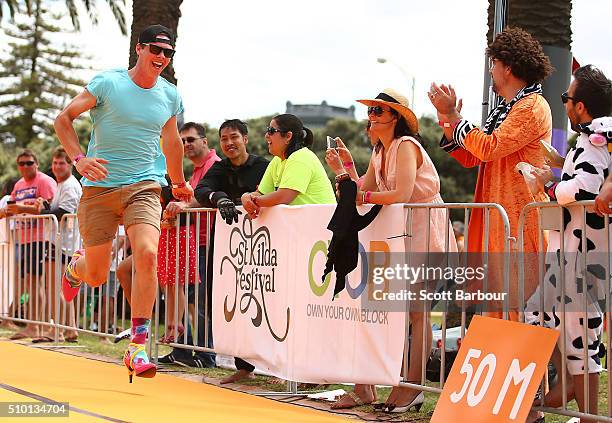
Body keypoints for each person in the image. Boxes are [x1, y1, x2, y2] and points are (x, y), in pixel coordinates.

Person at [53, 24, 192, 382]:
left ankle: (138, 345)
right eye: (156, 50)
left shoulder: (170, 95)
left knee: (147, 253)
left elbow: (172, 141)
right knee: (98, 276)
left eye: (168, 53)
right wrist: (79, 159)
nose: (161, 57)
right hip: (98, 189)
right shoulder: (108, 83)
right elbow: (63, 119)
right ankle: (77, 268)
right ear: (139, 49)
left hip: (144, 186)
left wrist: (177, 183)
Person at [325, 89, 456, 413]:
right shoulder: (380, 151)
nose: (372, 116)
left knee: (417, 310)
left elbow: (402, 192)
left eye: (379, 111)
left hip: (425, 226)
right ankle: (406, 385)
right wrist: (344, 170)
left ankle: (411, 385)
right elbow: (362, 189)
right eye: (371, 111)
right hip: (405, 230)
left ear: (396, 117)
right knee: (407, 310)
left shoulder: (407, 146)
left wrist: (364, 194)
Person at [429, 26, 553, 318]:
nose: (490, 71)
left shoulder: (531, 107)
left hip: (521, 224)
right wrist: (448, 119)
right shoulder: (507, 109)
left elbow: (488, 147)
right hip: (499, 223)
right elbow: (474, 158)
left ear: (507, 67)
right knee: (500, 312)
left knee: (523, 314)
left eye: (493, 64)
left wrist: (456, 117)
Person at [526, 65, 612, 419]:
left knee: (581, 345)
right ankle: (570, 391)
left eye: (566, 98)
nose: (563, 103)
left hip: (582, 258)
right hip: (570, 255)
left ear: (581, 106)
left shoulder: (598, 137)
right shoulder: (593, 138)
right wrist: (559, 168)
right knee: (539, 315)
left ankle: (584, 407)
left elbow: (585, 186)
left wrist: (548, 186)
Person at [193, 119, 269, 383]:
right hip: (227, 248)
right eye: (224, 138)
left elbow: (277, 192)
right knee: (228, 301)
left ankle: (275, 367)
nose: (229, 143)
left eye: (234, 137)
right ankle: (243, 367)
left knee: (265, 302)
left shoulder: (264, 166)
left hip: (263, 247)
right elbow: (202, 190)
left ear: (245, 139)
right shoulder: (219, 168)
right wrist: (220, 198)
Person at [29, 147, 82, 343]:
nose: (57, 166)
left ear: (70, 165)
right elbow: (55, 211)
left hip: (61, 244)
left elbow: (60, 214)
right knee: (63, 288)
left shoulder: (69, 185)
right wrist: (46, 207)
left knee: (54, 288)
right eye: (55, 163)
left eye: (62, 163)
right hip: (62, 243)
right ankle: (70, 329)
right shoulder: (63, 184)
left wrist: (42, 212)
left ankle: (57, 330)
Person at [2, 150, 57, 340]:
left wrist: (21, 208)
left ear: (37, 163)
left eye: (29, 163)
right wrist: (9, 211)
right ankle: (32, 325)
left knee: (35, 282)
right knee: (29, 282)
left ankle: (36, 326)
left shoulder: (44, 181)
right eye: (21, 163)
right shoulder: (18, 184)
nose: (25, 166)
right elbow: (12, 207)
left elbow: (48, 209)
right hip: (22, 238)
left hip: (40, 237)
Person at [241, 113, 335, 218]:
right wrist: (246, 197)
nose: (266, 135)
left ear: (288, 136)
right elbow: (261, 193)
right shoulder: (277, 160)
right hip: (303, 225)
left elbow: (284, 197)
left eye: (271, 131)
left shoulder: (301, 157)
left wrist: (253, 201)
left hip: (320, 225)